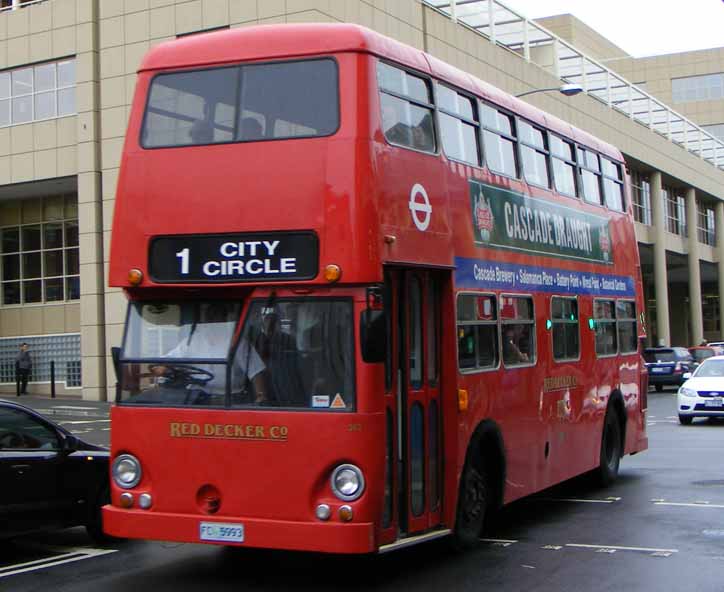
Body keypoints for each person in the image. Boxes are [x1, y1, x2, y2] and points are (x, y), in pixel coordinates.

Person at [153, 303, 267, 403]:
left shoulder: (237, 343)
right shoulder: (191, 342)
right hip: (194, 399)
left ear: (225, 320)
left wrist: (260, 398)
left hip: (229, 401)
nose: (214, 322)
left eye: (218, 318)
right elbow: (166, 361)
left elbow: (256, 372)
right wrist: (162, 367)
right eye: (210, 318)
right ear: (204, 321)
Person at [252, 305, 305, 406]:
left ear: (279, 326)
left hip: (286, 377)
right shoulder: (259, 340)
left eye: (274, 324)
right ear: (263, 326)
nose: (271, 327)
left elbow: (297, 358)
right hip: (264, 376)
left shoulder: (288, 340)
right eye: (268, 324)